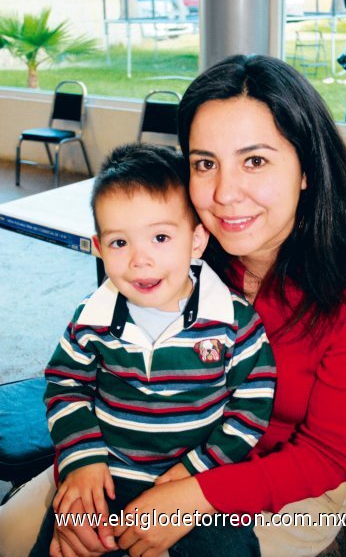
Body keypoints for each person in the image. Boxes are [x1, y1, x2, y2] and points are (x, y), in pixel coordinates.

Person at [1, 56, 346, 557]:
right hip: (139, 452)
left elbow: (326, 455)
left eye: (255, 160)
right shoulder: (174, 246)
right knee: (13, 533)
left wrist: (192, 497)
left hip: (285, 484)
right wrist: (79, 472)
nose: (225, 194)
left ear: (306, 168)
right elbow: (96, 377)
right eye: (205, 163)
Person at [29, 142, 275, 556]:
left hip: (199, 480)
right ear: (99, 246)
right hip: (107, 471)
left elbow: (251, 408)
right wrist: (81, 458)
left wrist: (196, 472)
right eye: (120, 243)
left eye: (160, 237)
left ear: (196, 241)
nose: (140, 260)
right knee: (63, 542)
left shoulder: (234, 321)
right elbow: (65, 386)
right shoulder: (91, 319)